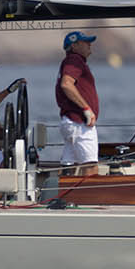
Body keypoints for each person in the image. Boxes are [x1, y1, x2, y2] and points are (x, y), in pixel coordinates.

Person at [55, 31, 101, 175]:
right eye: (85, 42)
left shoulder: (71, 61)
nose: (89, 44)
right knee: (90, 165)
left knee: (69, 165)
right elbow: (67, 84)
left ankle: (65, 195)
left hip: (70, 121)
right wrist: (86, 108)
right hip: (79, 122)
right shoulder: (75, 60)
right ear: (74, 46)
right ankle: (91, 197)